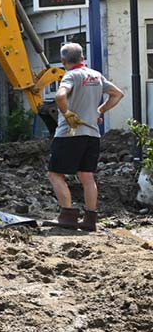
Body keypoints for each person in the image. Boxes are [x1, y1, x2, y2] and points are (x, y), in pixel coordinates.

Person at [47, 42, 124, 231]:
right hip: (92, 135)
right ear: (82, 58)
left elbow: (59, 96)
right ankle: (90, 220)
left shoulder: (71, 75)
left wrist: (66, 113)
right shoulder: (96, 76)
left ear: (64, 61)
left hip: (69, 134)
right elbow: (117, 94)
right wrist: (99, 111)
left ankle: (68, 215)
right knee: (87, 176)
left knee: (55, 174)